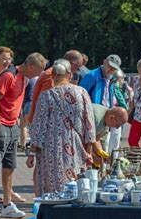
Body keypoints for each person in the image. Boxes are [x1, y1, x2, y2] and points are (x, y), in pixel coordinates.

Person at [0, 52, 47, 219]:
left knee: (9, 166)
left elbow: (16, 101)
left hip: (13, 126)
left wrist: (17, 121)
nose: (38, 75)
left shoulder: (24, 79)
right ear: (31, 67)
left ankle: (7, 204)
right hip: (1, 126)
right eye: (38, 71)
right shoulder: (9, 76)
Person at [29, 59, 96, 194]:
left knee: (52, 185)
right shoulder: (82, 93)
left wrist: (32, 152)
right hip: (76, 147)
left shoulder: (46, 96)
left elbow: (38, 127)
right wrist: (88, 151)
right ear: (70, 75)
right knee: (74, 183)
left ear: (52, 76)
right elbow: (89, 124)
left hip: (51, 148)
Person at [80, 54, 125, 159]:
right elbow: (80, 96)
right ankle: (89, 172)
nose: (111, 70)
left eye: (114, 69)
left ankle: (99, 173)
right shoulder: (91, 76)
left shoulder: (112, 79)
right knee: (90, 151)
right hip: (92, 118)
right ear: (104, 62)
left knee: (101, 152)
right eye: (110, 66)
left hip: (105, 120)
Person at [27, 50, 83, 123]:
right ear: (72, 63)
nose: (77, 71)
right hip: (44, 123)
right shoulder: (54, 75)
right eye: (78, 67)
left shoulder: (55, 73)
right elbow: (45, 103)